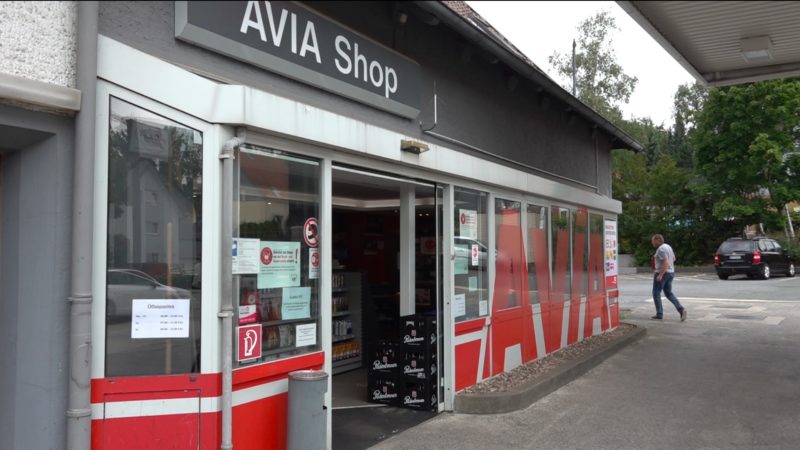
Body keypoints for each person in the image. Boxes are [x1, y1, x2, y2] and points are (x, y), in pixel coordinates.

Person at [650, 234, 687, 321]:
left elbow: (666, 262)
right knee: (668, 293)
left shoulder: (661, 249)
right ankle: (681, 309)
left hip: (663, 272)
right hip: (671, 272)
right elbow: (673, 258)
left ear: (658, 240)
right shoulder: (667, 246)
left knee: (656, 293)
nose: (652, 242)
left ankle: (659, 314)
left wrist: (660, 274)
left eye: (653, 240)